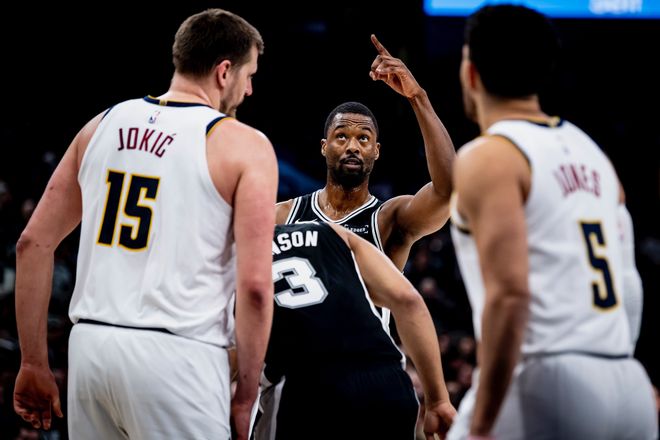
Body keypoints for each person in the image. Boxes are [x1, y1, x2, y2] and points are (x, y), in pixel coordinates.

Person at [13, 8, 277, 440]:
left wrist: (32, 362)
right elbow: (255, 288)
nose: (249, 89)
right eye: (249, 75)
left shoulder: (100, 125)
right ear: (224, 72)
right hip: (178, 357)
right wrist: (246, 394)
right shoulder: (243, 144)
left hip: (90, 352)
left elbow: (32, 244)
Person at [448, 4, 658, 439]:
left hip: (548, 377)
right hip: (627, 381)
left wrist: (482, 424)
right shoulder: (595, 155)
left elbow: (510, 295)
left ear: (471, 73)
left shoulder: (489, 156)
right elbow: (630, 287)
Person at [276, 35, 456, 330]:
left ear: (376, 151)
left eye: (363, 138)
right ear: (324, 147)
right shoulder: (283, 216)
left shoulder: (388, 219)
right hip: (297, 358)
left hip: (365, 358)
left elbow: (447, 191)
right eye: (341, 136)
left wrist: (418, 97)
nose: (352, 146)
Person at [254, 221, 455, 439]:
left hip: (307, 389)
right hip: (386, 384)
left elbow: (235, 354)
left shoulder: (236, 255)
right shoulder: (330, 231)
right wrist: (438, 400)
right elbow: (408, 300)